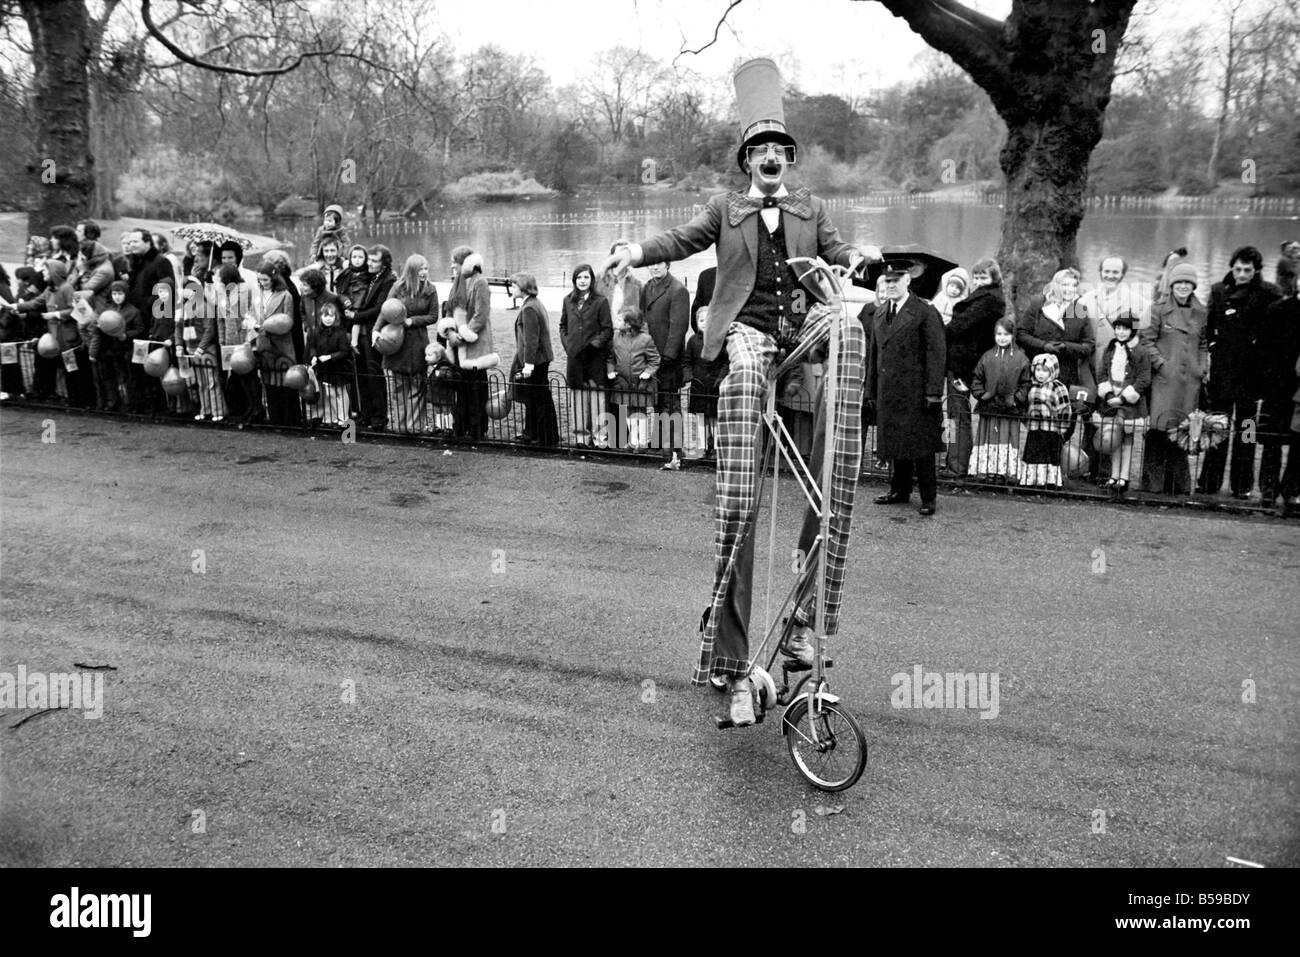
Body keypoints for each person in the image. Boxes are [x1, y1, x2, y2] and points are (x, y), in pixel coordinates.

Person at [600, 58, 880, 726]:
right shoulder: (724, 210)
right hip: (749, 331)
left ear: (788, 158)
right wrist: (635, 252)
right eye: (758, 151)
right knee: (747, 373)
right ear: (747, 162)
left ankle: (809, 610)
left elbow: (841, 257)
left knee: (850, 324)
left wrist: (858, 262)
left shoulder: (813, 208)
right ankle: (731, 644)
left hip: (802, 324)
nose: (769, 159)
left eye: (778, 150)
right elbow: (681, 239)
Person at [1197, 245, 1284, 498]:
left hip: (1250, 377)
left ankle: (1242, 485)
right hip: (1223, 374)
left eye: (1247, 270)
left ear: (1256, 270)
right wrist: (1214, 349)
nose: (1242, 274)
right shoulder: (1218, 291)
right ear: (1232, 268)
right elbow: (1209, 327)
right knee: (1218, 427)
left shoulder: (1270, 293)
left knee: (1247, 430)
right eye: (1238, 269)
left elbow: (1277, 333)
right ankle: (1209, 482)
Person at [863, 259, 947, 515]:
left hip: (916, 391)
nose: (890, 285)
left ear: (907, 280)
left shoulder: (924, 311)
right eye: (887, 281)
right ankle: (899, 490)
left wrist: (933, 391)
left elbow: (937, 352)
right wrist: (871, 391)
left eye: (895, 281)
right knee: (895, 442)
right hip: (889, 390)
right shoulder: (879, 313)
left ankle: (928, 497)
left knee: (921, 446)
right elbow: (874, 354)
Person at [1140, 262, 1207, 494]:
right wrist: (1161, 364)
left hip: (1190, 382)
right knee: (1159, 429)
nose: (1183, 286)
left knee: (1182, 431)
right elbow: (1145, 340)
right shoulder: (1157, 309)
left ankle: (1176, 486)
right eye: (1179, 282)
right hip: (1165, 381)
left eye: (1188, 283)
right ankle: (1152, 483)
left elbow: (1203, 343)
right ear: (1172, 284)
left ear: (1193, 286)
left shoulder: (1202, 312)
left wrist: (1201, 368)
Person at [944, 258, 1005, 476]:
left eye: (983, 277)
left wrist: (939, 330)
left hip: (963, 364)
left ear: (993, 278)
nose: (978, 281)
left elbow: (960, 325)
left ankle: (957, 464)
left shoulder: (988, 299)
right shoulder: (991, 297)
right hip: (969, 361)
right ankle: (955, 459)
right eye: (976, 276)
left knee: (956, 415)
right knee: (955, 415)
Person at [379, 254, 437, 435]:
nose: (424, 273)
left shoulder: (430, 290)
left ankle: (415, 426)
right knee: (398, 386)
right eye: (420, 269)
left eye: (426, 268)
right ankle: (401, 425)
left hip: (418, 341)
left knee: (417, 386)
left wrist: (413, 321)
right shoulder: (398, 287)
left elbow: (434, 316)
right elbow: (385, 310)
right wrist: (376, 330)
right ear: (411, 270)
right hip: (397, 341)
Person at [640, 260, 691, 469]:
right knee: (658, 400)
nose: (655, 268)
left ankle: (675, 446)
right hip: (652, 354)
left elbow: (679, 327)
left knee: (671, 402)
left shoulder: (678, 290)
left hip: (669, 359)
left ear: (667, 265)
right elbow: (643, 319)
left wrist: (667, 357)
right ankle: (659, 440)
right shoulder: (647, 287)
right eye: (651, 265)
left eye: (659, 264)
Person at [967, 316, 1029, 483]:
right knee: (990, 438)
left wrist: (1016, 399)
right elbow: (976, 379)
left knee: (1006, 438)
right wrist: (982, 394)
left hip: (1010, 409)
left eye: (1006, 334)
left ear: (1013, 336)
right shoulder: (987, 356)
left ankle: (1003, 473)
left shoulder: (1021, 358)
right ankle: (988, 471)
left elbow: (1026, 383)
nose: (1002, 338)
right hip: (990, 407)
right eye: (999, 334)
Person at [1094, 313, 1150, 495]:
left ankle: (1124, 477)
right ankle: (1114, 475)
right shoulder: (1111, 348)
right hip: (1111, 401)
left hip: (1128, 403)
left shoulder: (1141, 352)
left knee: (1126, 438)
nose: (1121, 332)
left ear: (1132, 330)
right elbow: (1102, 372)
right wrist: (1109, 393)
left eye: (1125, 328)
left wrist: (1124, 397)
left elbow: (1144, 378)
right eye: (1118, 328)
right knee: (1113, 438)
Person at [1257, 278, 1300, 510]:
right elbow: (1263, 348)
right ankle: (1268, 489)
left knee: (1299, 445)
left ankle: (1292, 490)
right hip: (1277, 387)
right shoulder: (1278, 310)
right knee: (1271, 440)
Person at [559, 264, 613, 447]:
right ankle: (581, 438)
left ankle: (600, 439)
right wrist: (569, 346)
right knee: (578, 399)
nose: (583, 281)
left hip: (594, 358)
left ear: (591, 280)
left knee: (597, 399)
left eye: (586, 277)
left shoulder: (600, 301)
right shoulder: (568, 300)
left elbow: (607, 330)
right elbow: (563, 326)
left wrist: (592, 347)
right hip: (575, 359)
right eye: (579, 277)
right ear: (574, 280)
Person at [444, 252, 492, 440]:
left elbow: (480, 315)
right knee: (461, 388)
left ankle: (476, 429)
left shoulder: (480, 283)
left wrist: (462, 336)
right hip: (457, 344)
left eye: (454, 262)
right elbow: (448, 310)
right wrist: (449, 332)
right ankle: (460, 426)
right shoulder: (457, 283)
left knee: (475, 389)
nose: (452, 266)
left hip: (474, 345)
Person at [348, 244, 396, 430]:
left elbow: (380, 308)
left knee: (374, 374)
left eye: (374, 261)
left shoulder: (388, 280)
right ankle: (365, 414)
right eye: (370, 259)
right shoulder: (371, 276)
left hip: (374, 331)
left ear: (384, 264)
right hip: (361, 332)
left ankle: (379, 417)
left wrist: (356, 316)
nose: (369, 263)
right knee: (362, 375)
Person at [509, 272, 558, 447]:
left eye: (514, 286)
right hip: (539, 359)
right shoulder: (533, 304)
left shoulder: (529, 307)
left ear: (523, 288)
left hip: (536, 361)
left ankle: (545, 437)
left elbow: (531, 339)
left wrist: (528, 365)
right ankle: (533, 433)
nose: (512, 289)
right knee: (535, 397)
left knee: (539, 398)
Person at [251, 260, 300, 427]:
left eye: (265, 280)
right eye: (260, 280)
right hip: (263, 344)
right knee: (269, 383)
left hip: (282, 345)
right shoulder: (257, 295)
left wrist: (272, 326)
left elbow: (288, 321)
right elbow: (251, 315)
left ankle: (290, 420)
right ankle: (275, 419)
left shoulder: (286, 295)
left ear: (273, 278)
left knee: (285, 382)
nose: (262, 283)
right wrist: (251, 324)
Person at [606, 305, 660, 450]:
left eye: (619, 319)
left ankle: (642, 442)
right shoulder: (616, 337)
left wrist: (648, 372)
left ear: (629, 324)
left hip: (640, 384)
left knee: (640, 413)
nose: (616, 322)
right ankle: (633, 441)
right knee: (628, 413)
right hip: (623, 382)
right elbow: (611, 358)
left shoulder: (645, 339)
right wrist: (611, 370)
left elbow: (655, 360)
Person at [1017, 353, 1073, 488]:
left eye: (1045, 370)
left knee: (1049, 455)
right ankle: (1031, 480)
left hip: (1051, 429)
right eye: (1038, 370)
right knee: (1033, 454)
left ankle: (1049, 481)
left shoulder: (1057, 387)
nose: (1040, 374)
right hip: (1035, 428)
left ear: (1052, 371)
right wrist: (1026, 421)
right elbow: (1027, 406)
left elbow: (1065, 408)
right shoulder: (1032, 386)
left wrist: (1062, 428)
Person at [682, 302, 725, 458]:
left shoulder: (720, 339)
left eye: (708, 320)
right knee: (700, 417)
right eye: (701, 321)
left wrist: (720, 378)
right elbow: (687, 362)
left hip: (714, 385)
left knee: (714, 418)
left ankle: (716, 448)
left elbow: (726, 362)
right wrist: (689, 377)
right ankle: (702, 446)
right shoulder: (693, 341)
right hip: (698, 385)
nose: (705, 323)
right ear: (697, 323)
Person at [307, 285, 354, 428]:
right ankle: (332, 417)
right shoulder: (316, 332)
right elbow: (312, 347)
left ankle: (343, 417)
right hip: (324, 368)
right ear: (321, 317)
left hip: (338, 367)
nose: (328, 319)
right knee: (329, 394)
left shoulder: (340, 332)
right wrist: (314, 357)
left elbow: (345, 351)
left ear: (336, 317)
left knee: (340, 392)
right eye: (325, 316)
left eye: (331, 316)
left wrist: (329, 357)